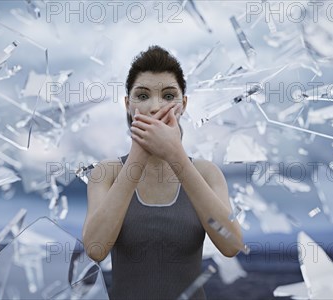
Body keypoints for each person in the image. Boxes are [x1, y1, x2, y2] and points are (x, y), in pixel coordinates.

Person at [82, 45, 242, 300]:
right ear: (128, 104)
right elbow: (95, 248)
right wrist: (139, 154)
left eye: (168, 96)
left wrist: (176, 156)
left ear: (184, 104)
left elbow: (232, 244)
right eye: (143, 96)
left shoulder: (207, 173)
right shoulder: (107, 173)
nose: (155, 106)